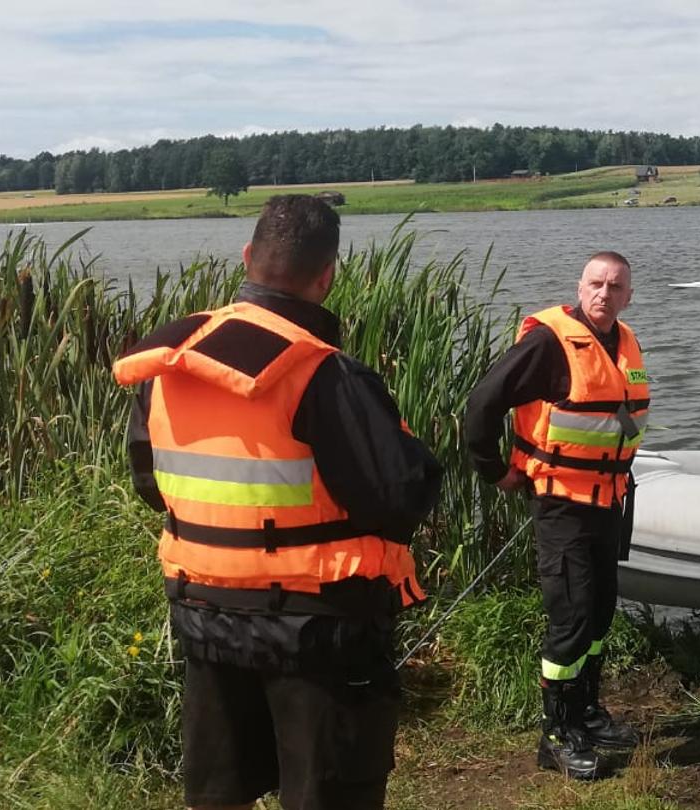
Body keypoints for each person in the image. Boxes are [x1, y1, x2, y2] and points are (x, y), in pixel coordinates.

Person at [113, 194, 442, 810]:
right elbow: (400, 500)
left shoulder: (172, 361)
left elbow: (149, 484)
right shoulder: (323, 372)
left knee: (219, 794)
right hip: (318, 629)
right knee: (328, 794)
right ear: (327, 276)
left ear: (247, 257)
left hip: (205, 614)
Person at [463, 251, 649, 781]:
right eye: (596, 283)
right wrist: (495, 470)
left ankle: (586, 712)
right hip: (561, 501)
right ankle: (556, 734)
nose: (604, 294)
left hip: (608, 500)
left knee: (600, 612)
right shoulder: (548, 342)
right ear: (580, 285)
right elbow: (481, 405)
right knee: (569, 618)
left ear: (628, 295)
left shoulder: (625, 342)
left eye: (615, 286)